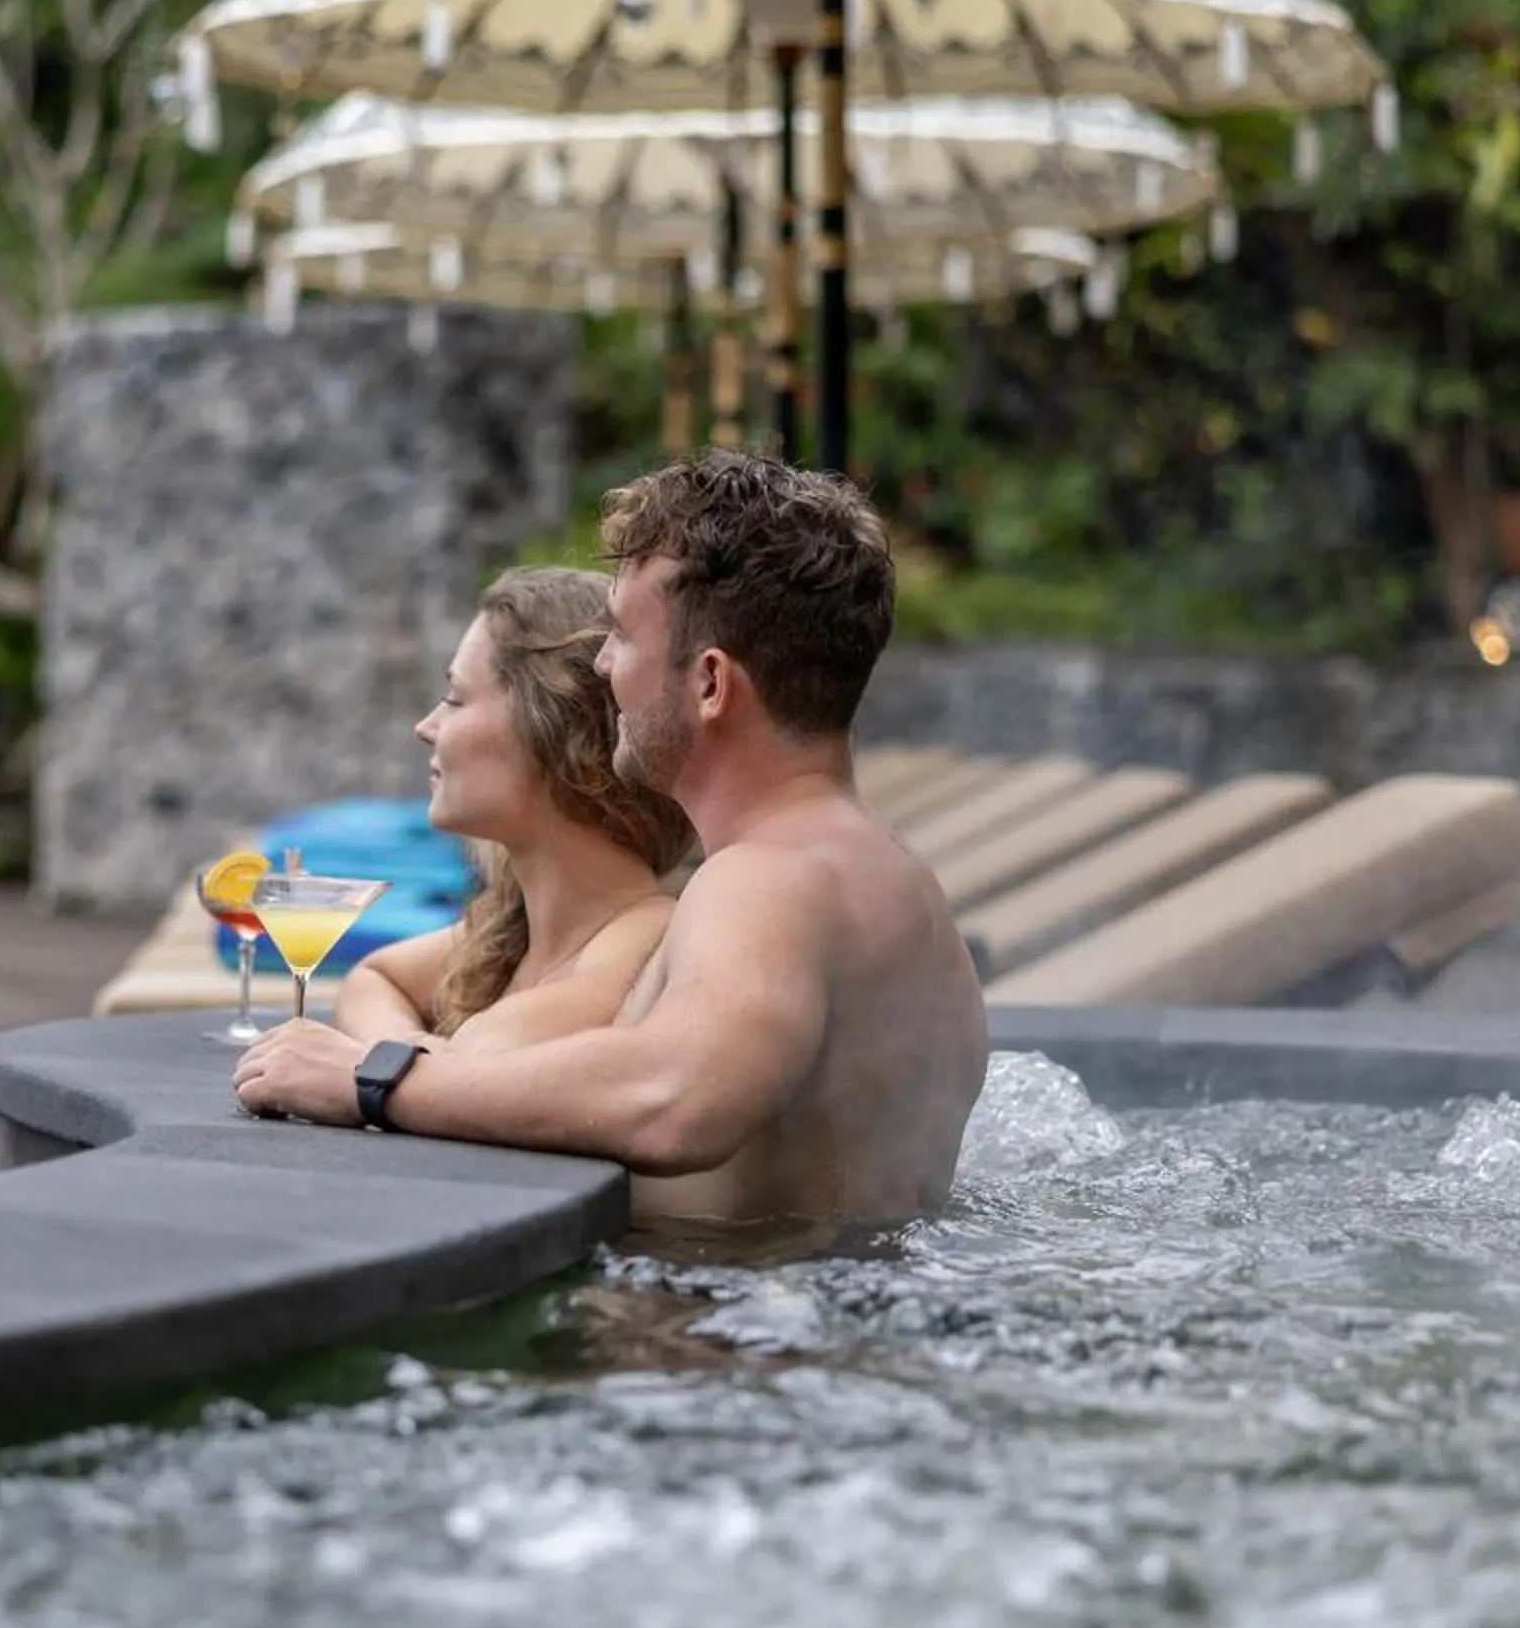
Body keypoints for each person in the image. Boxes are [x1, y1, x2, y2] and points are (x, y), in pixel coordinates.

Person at [238, 450, 991, 1225]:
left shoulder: (766, 880)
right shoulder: (889, 874)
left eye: (625, 638)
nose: (601, 665)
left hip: (723, 1333)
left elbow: (676, 1099)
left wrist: (376, 1080)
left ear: (709, 684)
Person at [331, 566, 690, 1056]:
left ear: (554, 737)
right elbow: (373, 980)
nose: (425, 726)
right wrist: (405, 1054)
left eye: (456, 699)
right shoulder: (519, 927)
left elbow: (478, 1060)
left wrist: (397, 1067)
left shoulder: (645, 942)